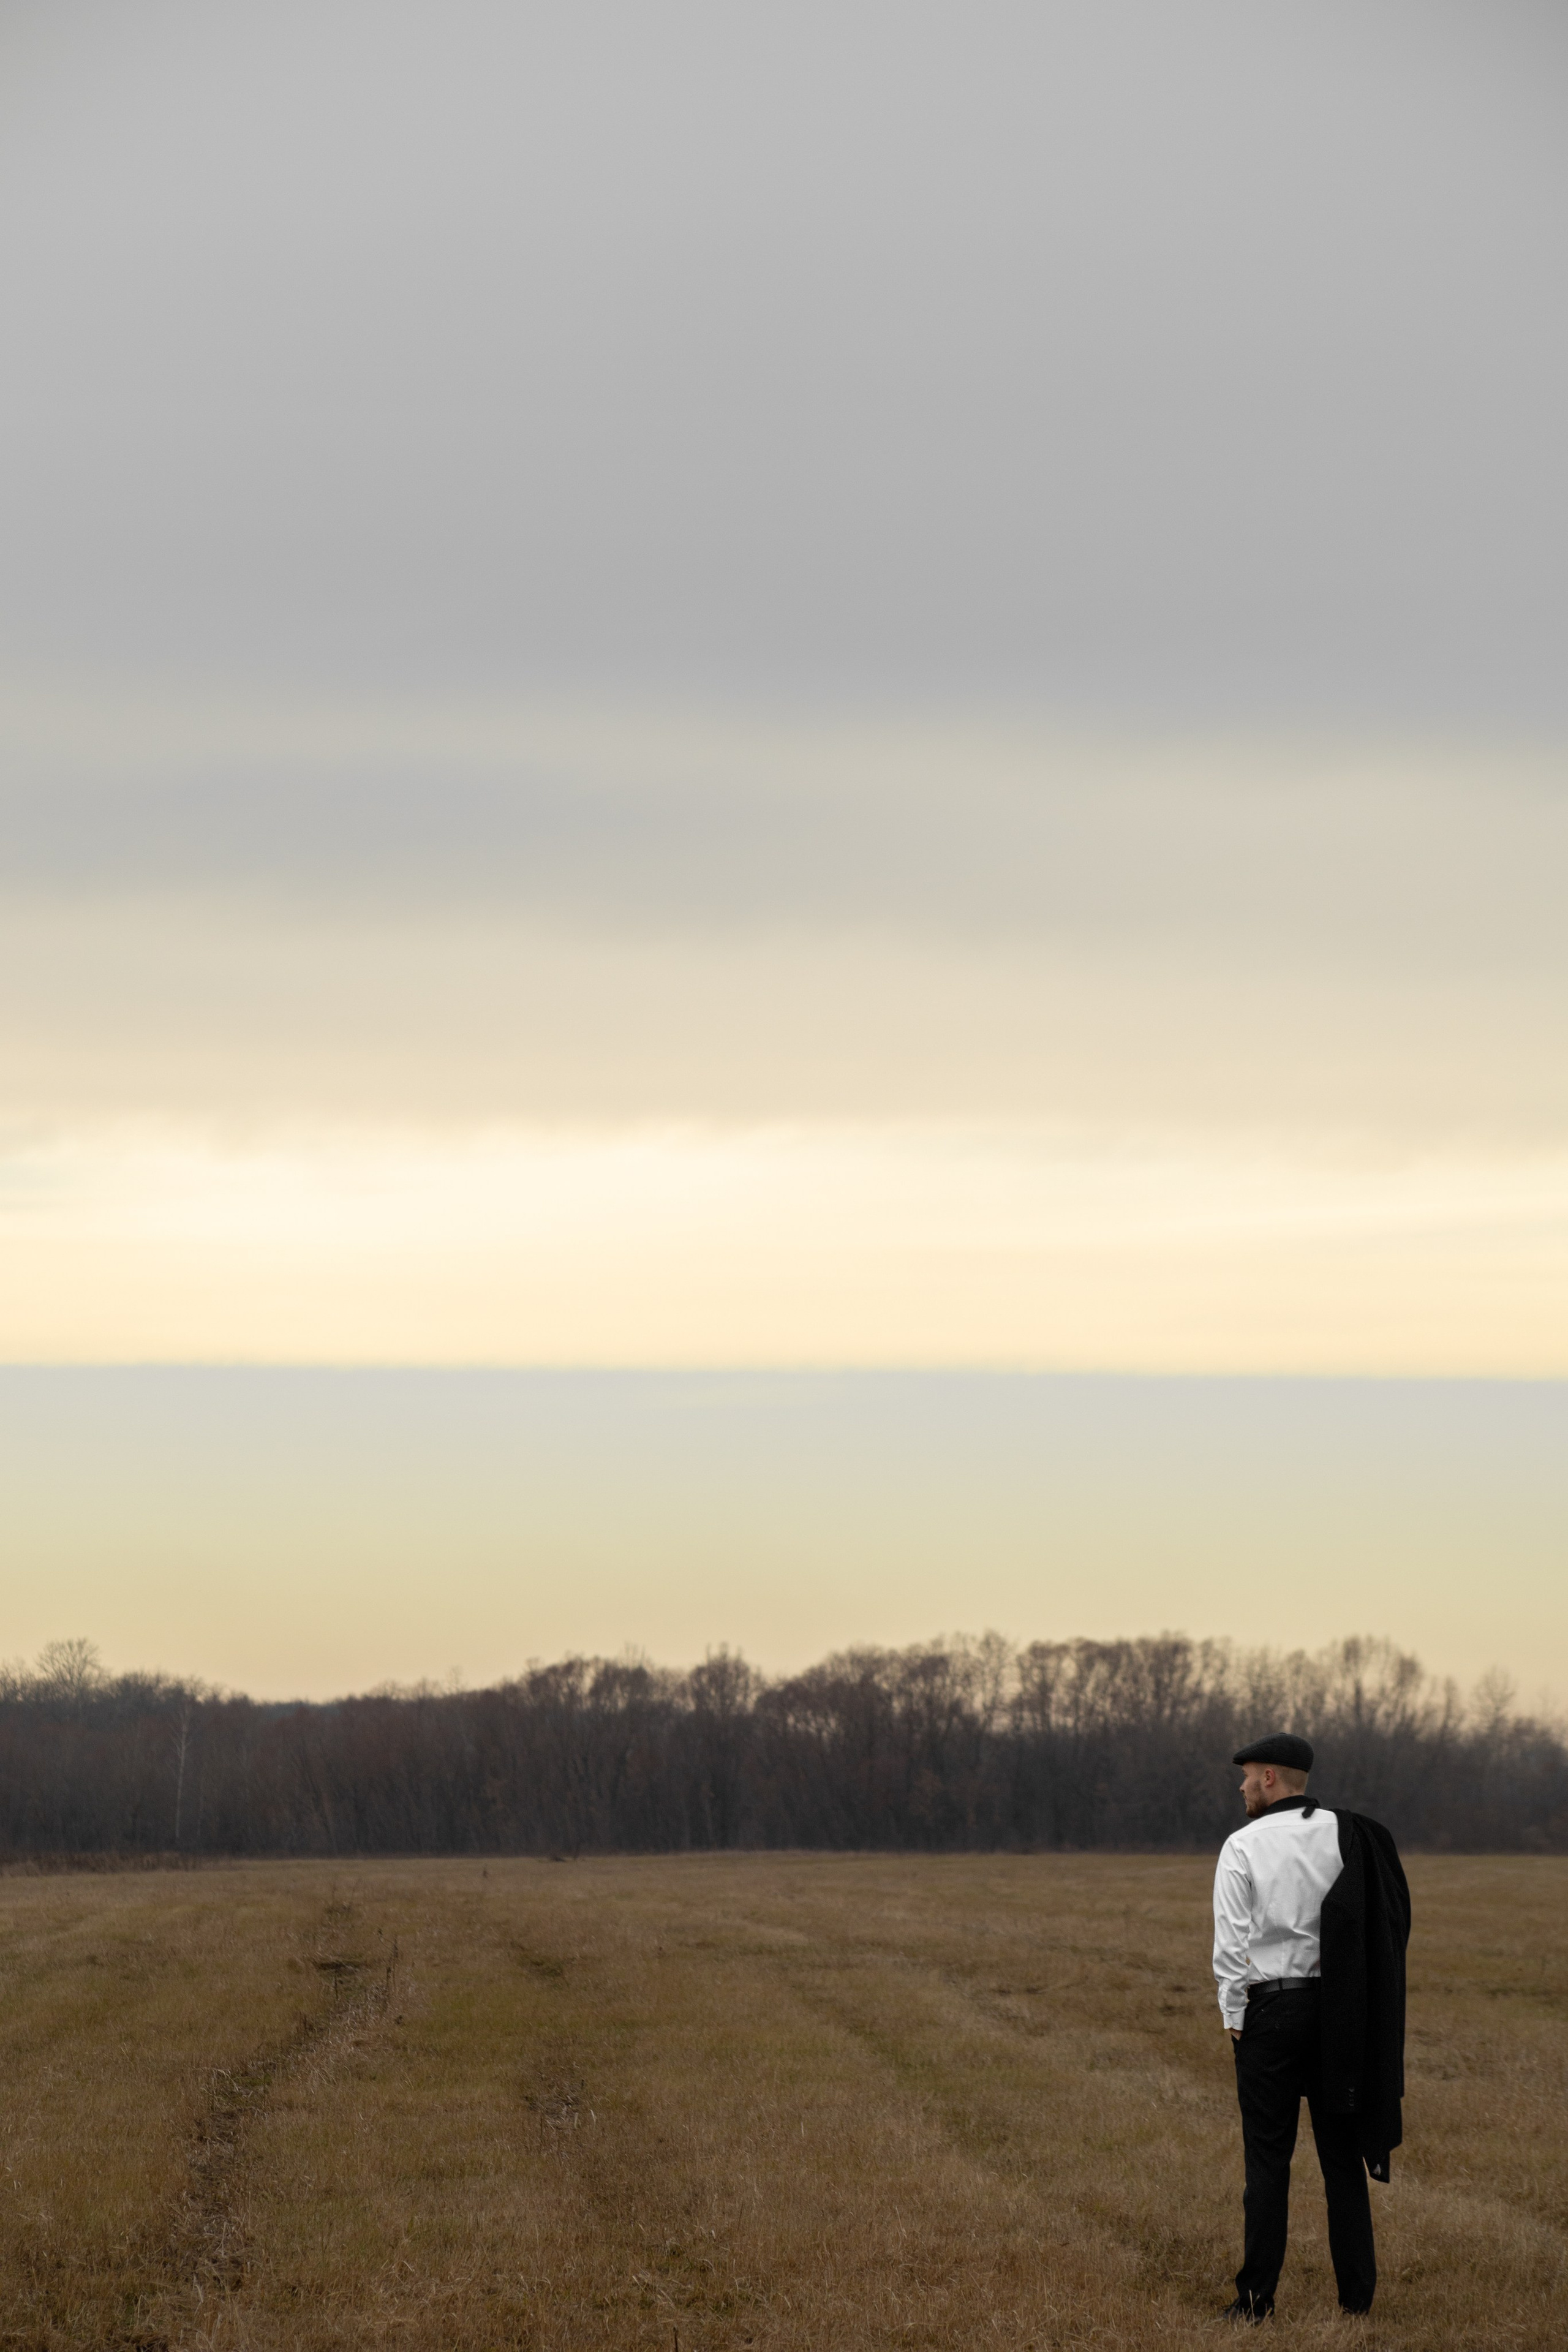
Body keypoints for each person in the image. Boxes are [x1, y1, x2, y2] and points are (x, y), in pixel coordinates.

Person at [1212, 1733, 1411, 2324]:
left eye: (1247, 1776)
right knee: (1340, 2160)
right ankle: (1356, 2301)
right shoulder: (1347, 1836)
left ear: (1270, 1777)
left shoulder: (1243, 1845)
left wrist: (1235, 2018)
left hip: (1271, 2012)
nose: (1243, 1787)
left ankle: (1255, 2304)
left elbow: (1231, 1948)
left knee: (1268, 2161)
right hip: (1341, 2015)